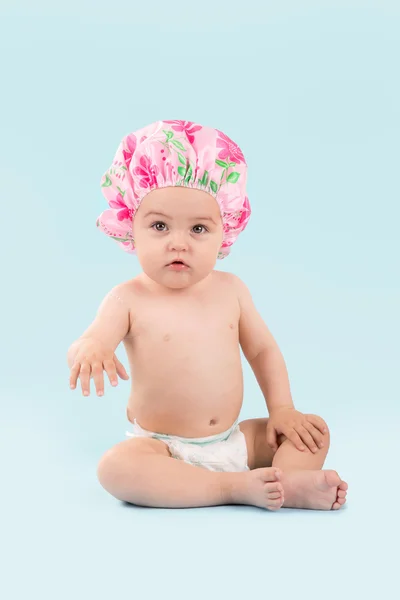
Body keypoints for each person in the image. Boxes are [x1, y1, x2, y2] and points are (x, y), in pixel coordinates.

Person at [67, 120, 348, 510]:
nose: (178, 242)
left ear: (226, 232)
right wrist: (89, 350)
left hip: (234, 441)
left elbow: (263, 350)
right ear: (130, 226)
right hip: (162, 449)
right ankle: (232, 488)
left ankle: (290, 484)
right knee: (116, 468)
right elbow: (94, 337)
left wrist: (282, 410)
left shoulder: (231, 290)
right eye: (160, 226)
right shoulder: (128, 298)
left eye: (198, 228)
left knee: (311, 431)